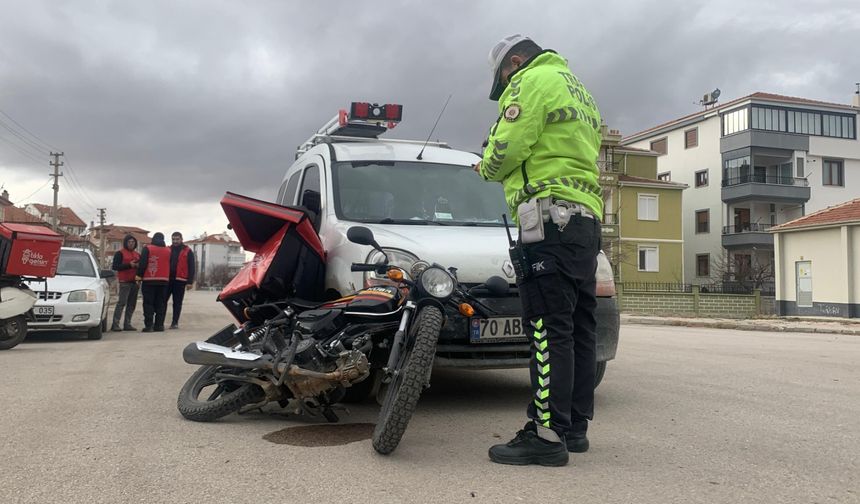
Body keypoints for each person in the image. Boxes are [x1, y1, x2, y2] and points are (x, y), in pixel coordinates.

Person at [477, 35, 603, 467]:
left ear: (514, 62)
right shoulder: (578, 88)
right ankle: (574, 427)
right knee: (579, 327)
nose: (504, 87)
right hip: (585, 218)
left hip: (548, 217)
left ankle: (546, 434)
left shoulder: (530, 81)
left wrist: (486, 165)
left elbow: (507, 147)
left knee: (549, 328)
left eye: (503, 78)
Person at [136, 232, 171, 332]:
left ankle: (149, 326)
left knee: (148, 304)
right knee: (161, 304)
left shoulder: (148, 248)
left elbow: (142, 264)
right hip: (164, 281)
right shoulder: (168, 250)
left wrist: (138, 277)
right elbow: (172, 265)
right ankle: (159, 325)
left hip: (149, 281)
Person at [110, 234, 140, 331]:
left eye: (133, 242)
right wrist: (129, 265)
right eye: (129, 242)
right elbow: (115, 266)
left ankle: (127, 324)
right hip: (124, 282)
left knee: (131, 304)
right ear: (126, 243)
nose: (131, 244)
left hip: (135, 282)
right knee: (121, 303)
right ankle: (115, 324)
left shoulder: (137, 254)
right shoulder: (120, 253)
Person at [166, 231, 195, 330]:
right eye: (173, 239)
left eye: (177, 239)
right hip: (168, 280)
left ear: (181, 239)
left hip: (180, 280)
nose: (175, 241)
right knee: (162, 301)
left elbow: (192, 267)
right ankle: (159, 322)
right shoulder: (168, 250)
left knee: (177, 303)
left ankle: (174, 322)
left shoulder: (188, 251)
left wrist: (190, 281)